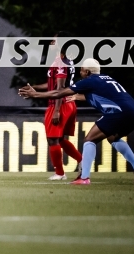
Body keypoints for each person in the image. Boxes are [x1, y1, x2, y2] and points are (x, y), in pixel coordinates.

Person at [19, 58, 134, 185]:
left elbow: (58, 93)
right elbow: (101, 95)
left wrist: (35, 94)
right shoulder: (106, 78)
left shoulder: (89, 81)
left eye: (82, 70)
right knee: (112, 138)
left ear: (87, 72)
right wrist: (79, 97)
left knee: (90, 139)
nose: (80, 72)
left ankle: (84, 178)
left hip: (119, 112)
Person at [27, 32, 82, 181]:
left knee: (52, 139)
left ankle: (60, 173)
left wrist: (57, 110)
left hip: (60, 103)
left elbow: (60, 88)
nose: (51, 42)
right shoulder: (64, 60)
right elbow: (52, 84)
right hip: (68, 103)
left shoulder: (60, 62)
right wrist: (34, 88)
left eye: (54, 40)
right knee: (60, 139)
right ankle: (82, 160)